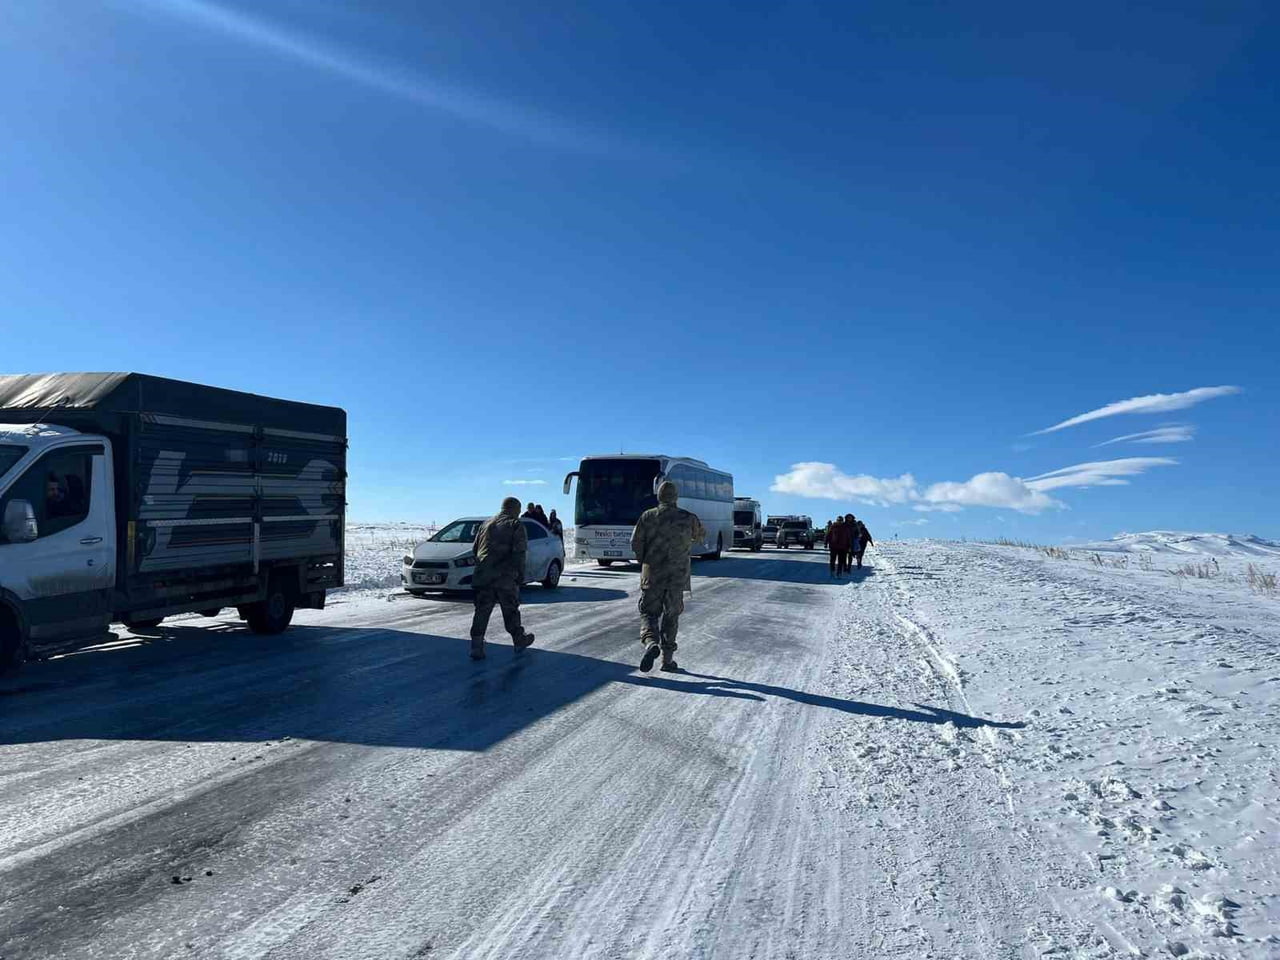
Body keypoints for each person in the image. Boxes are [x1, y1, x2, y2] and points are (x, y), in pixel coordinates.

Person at [630, 480, 705, 673]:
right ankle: (667, 660)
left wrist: (644, 559)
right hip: (676, 577)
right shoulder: (688, 518)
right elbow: (701, 536)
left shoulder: (647, 516)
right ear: (676, 497)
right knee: (671, 617)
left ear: (659, 496)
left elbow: (635, 542)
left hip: (652, 574)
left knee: (648, 613)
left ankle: (650, 643)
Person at [469, 497, 535, 660]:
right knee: (510, 609)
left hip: (484, 575)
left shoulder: (486, 524)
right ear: (515, 509)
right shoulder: (515, 525)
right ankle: (519, 640)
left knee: (482, 611)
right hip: (505, 576)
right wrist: (520, 575)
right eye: (518, 511)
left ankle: (476, 646)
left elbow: (475, 549)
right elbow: (519, 553)